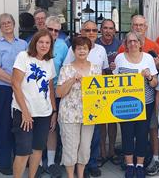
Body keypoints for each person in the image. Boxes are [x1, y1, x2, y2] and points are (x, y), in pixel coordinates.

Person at [116, 15, 159, 176]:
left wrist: (149, 77)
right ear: (125, 44)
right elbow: (115, 82)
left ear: (140, 43)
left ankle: (140, 165)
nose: (133, 43)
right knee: (127, 133)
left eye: (136, 41)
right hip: (124, 103)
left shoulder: (149, 58)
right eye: (130, 41)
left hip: (145, 103)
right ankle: (129, 164)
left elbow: (155, 83)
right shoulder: (120, 58)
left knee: (142, 134)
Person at [64, 20, 109, 177]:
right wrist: (72, 79)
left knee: (88, 144)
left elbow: (103, 82)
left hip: (91, 109)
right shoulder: (69, 62)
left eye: (94, 30)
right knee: (72, 146)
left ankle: (86, 169)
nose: (82, 51)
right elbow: (60, 89)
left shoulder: (99, 58)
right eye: (87, 30)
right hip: (71, 111)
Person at [11, 29, 57, 178]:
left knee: (38, 149)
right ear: (35, 43)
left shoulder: (49, 62)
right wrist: (25, 112)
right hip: (24, 112)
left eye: (47, 43)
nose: (44, 45)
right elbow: (15, 85)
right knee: (23, 151)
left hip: (44, 113)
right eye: (41, 42)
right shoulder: (23, 57)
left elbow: (50, 88)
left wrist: (54, 112)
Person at [56, 37, 103, 178]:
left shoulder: (96, 69)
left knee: (84, 148)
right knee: (70, 148)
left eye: (85, 48)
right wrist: (72, 80)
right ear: (74, 50)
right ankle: (71, 176)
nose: (82, 50)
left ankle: (80, 174)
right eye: (79, 48)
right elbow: (59, 93)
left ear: (89, 50)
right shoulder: (66, 69)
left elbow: (100, 93)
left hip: (89, 114)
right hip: (69, 114)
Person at [0, 13, 28, 175]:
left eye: (9, 22)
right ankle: (4, 163)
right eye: (3, 23)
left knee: (20, 125)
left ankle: (19, 160)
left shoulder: (24, 44)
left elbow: (28, 64)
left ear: (14, 24)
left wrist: (18, 84)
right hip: (3, 90)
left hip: (20, 89)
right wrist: (14, 81)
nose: (7, 25)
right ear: (0, 27)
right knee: (4, 126)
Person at [42, 16, 69, 178]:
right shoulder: (34, 43)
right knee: (38, 126)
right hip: (38, 92)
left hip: (56, 92)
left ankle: (51, 162)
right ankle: (37, 163)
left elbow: (66, 69)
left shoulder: (62, 46)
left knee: (52, 127)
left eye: (56, 30)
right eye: (50, 29)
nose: (53, 33)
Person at [95, 19, 123, 165]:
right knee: (101, 121)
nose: (108, 31)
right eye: (105, 28)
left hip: (115, 86)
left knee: (112, 120)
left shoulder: (119, 45)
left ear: (114, 30)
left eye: (111, 28)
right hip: (98, 87)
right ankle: (102, 152)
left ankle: (112, 151)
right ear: (101, 29)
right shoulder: (96, 44)